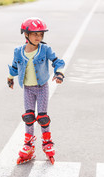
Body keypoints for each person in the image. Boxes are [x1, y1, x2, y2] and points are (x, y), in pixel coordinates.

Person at [7, 17, 65, 165]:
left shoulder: (45, 49)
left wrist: (59, 73)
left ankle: (47, 143)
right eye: (35, 34)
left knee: (43, 117)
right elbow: (14, 67)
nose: (38, 37)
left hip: (42, 88)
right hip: (27, 88)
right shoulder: (18, 52)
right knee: (28, 117)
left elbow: (57, 61)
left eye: (41, 34)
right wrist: (10, 78)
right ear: (26, 34)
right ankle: (29, 145)